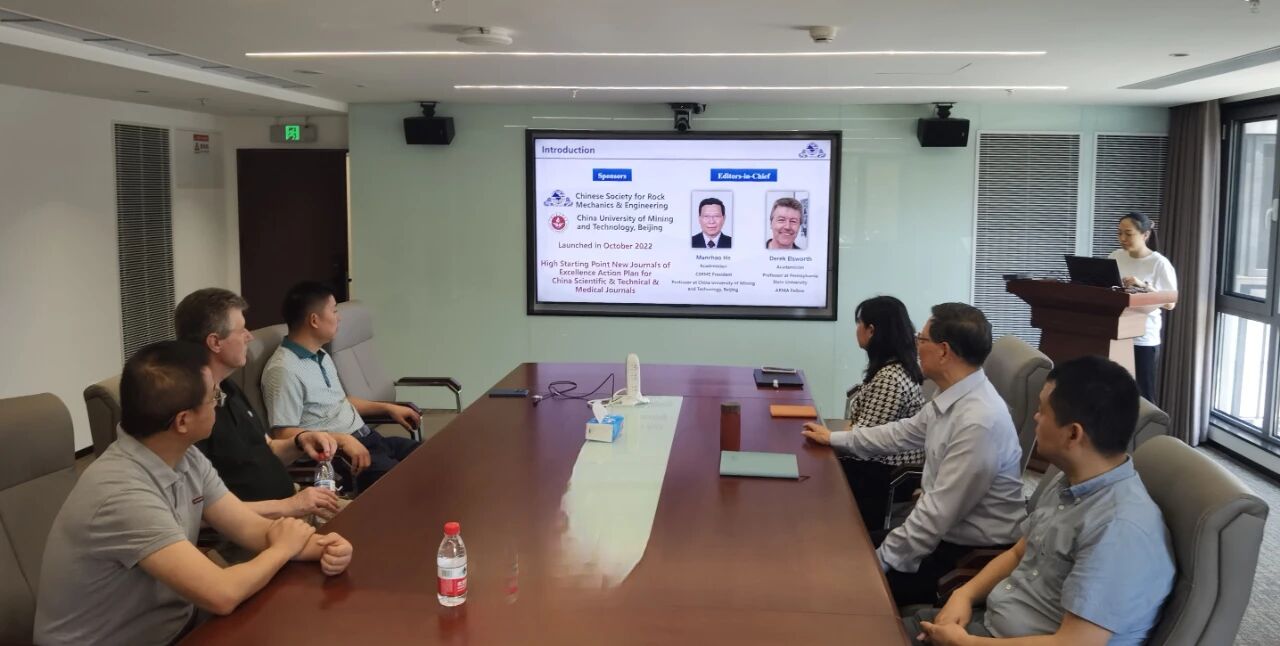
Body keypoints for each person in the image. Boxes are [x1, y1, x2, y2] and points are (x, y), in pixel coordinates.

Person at [34, 341, 353, 646]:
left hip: (177, 625)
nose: (219, 403)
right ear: (183, 421)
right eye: (214, 397)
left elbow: (248, 527)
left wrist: (324, 547)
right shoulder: (121, 493)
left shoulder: (184, 456)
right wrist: (283, 549)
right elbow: (221, 594)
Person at [905, 356, 1175, 646]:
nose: (1035, 417)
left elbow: (1073, 644)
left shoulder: (1119, 530)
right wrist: (964, 595)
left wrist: (965, 643)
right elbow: (1018, 553)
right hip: (992, 624)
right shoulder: (1070, 481)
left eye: (1042, 411)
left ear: (1073, 434)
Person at [802, 303, 1025, 606]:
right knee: (832, 551)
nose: (916, 346)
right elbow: (902, 433)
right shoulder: (954, 395)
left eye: (922, 339)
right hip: (941, 536)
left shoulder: (979, 421)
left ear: (943, 351)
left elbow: (935, 515)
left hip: (966, 557)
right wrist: (835, 439)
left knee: (838, 584)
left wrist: (877, 564)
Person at [175, 288, 342, 520]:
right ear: (215, 342)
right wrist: (289, 506)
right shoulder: (191, 413)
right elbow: (202, 512)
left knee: (376, 513)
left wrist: (300, 441)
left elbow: (268, 449)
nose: (249, 336)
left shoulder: (229, 387)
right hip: (263, 523)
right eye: (241, 330)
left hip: (294, 503)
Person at [261, 281, 421, 493]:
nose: (339, 317)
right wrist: (342, 440)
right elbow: (283, 434)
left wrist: (387, 408)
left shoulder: (320, 354)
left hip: (369, 439)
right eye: (334, 310)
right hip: (343, 457)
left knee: (432, 456)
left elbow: (341, 401)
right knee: (413, 483)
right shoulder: (283, 370)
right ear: (314, 320)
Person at [801, 295, 925, 530]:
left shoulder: (890, 378)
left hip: (886, 474)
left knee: (812, 469)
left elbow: (865, 442)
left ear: (872, 330)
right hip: (879, 464)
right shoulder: (891, 368)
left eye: (859, 323)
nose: (856, 329)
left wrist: (829, 438)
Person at [1109, 211, 1177, 403]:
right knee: (1116, 393)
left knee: (1143, 396)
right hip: (1117, 333)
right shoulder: (1115, 256)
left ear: (1145, 235)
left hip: (1143, 338)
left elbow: (1170, 303)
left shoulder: (1159, 263)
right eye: (1119, 233)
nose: (1123, 238)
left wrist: (1143, 285)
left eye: (1128, 234)